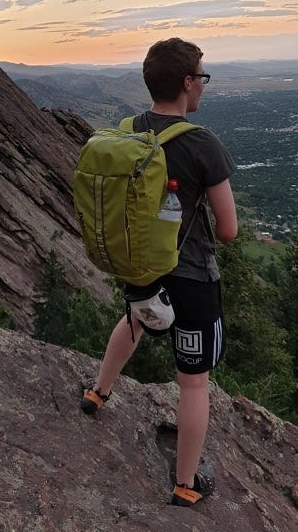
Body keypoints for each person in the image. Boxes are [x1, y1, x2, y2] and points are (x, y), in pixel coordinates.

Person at [80, 37, 238, 507]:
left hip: (143, 269)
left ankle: (97, 393)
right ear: (187, 84)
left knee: (134, 320)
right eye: (201, 78)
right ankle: (186, 483)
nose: (203, 87)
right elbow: (228, 230)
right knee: (193, 383)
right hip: (191, 279)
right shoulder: (201, 143)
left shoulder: (129, 131)